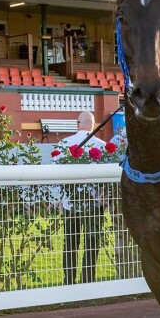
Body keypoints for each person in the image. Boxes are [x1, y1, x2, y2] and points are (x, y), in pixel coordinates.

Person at [57, 112, 106, 285]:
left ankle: (69, 280)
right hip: (94, 203)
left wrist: (60, 199)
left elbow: (57, 174)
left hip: (70, 203)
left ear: (78, 123)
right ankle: (88, 280)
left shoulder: (64, 143)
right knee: (92, 243)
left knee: (70, 243)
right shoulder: (102, 145)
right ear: (94, 124)